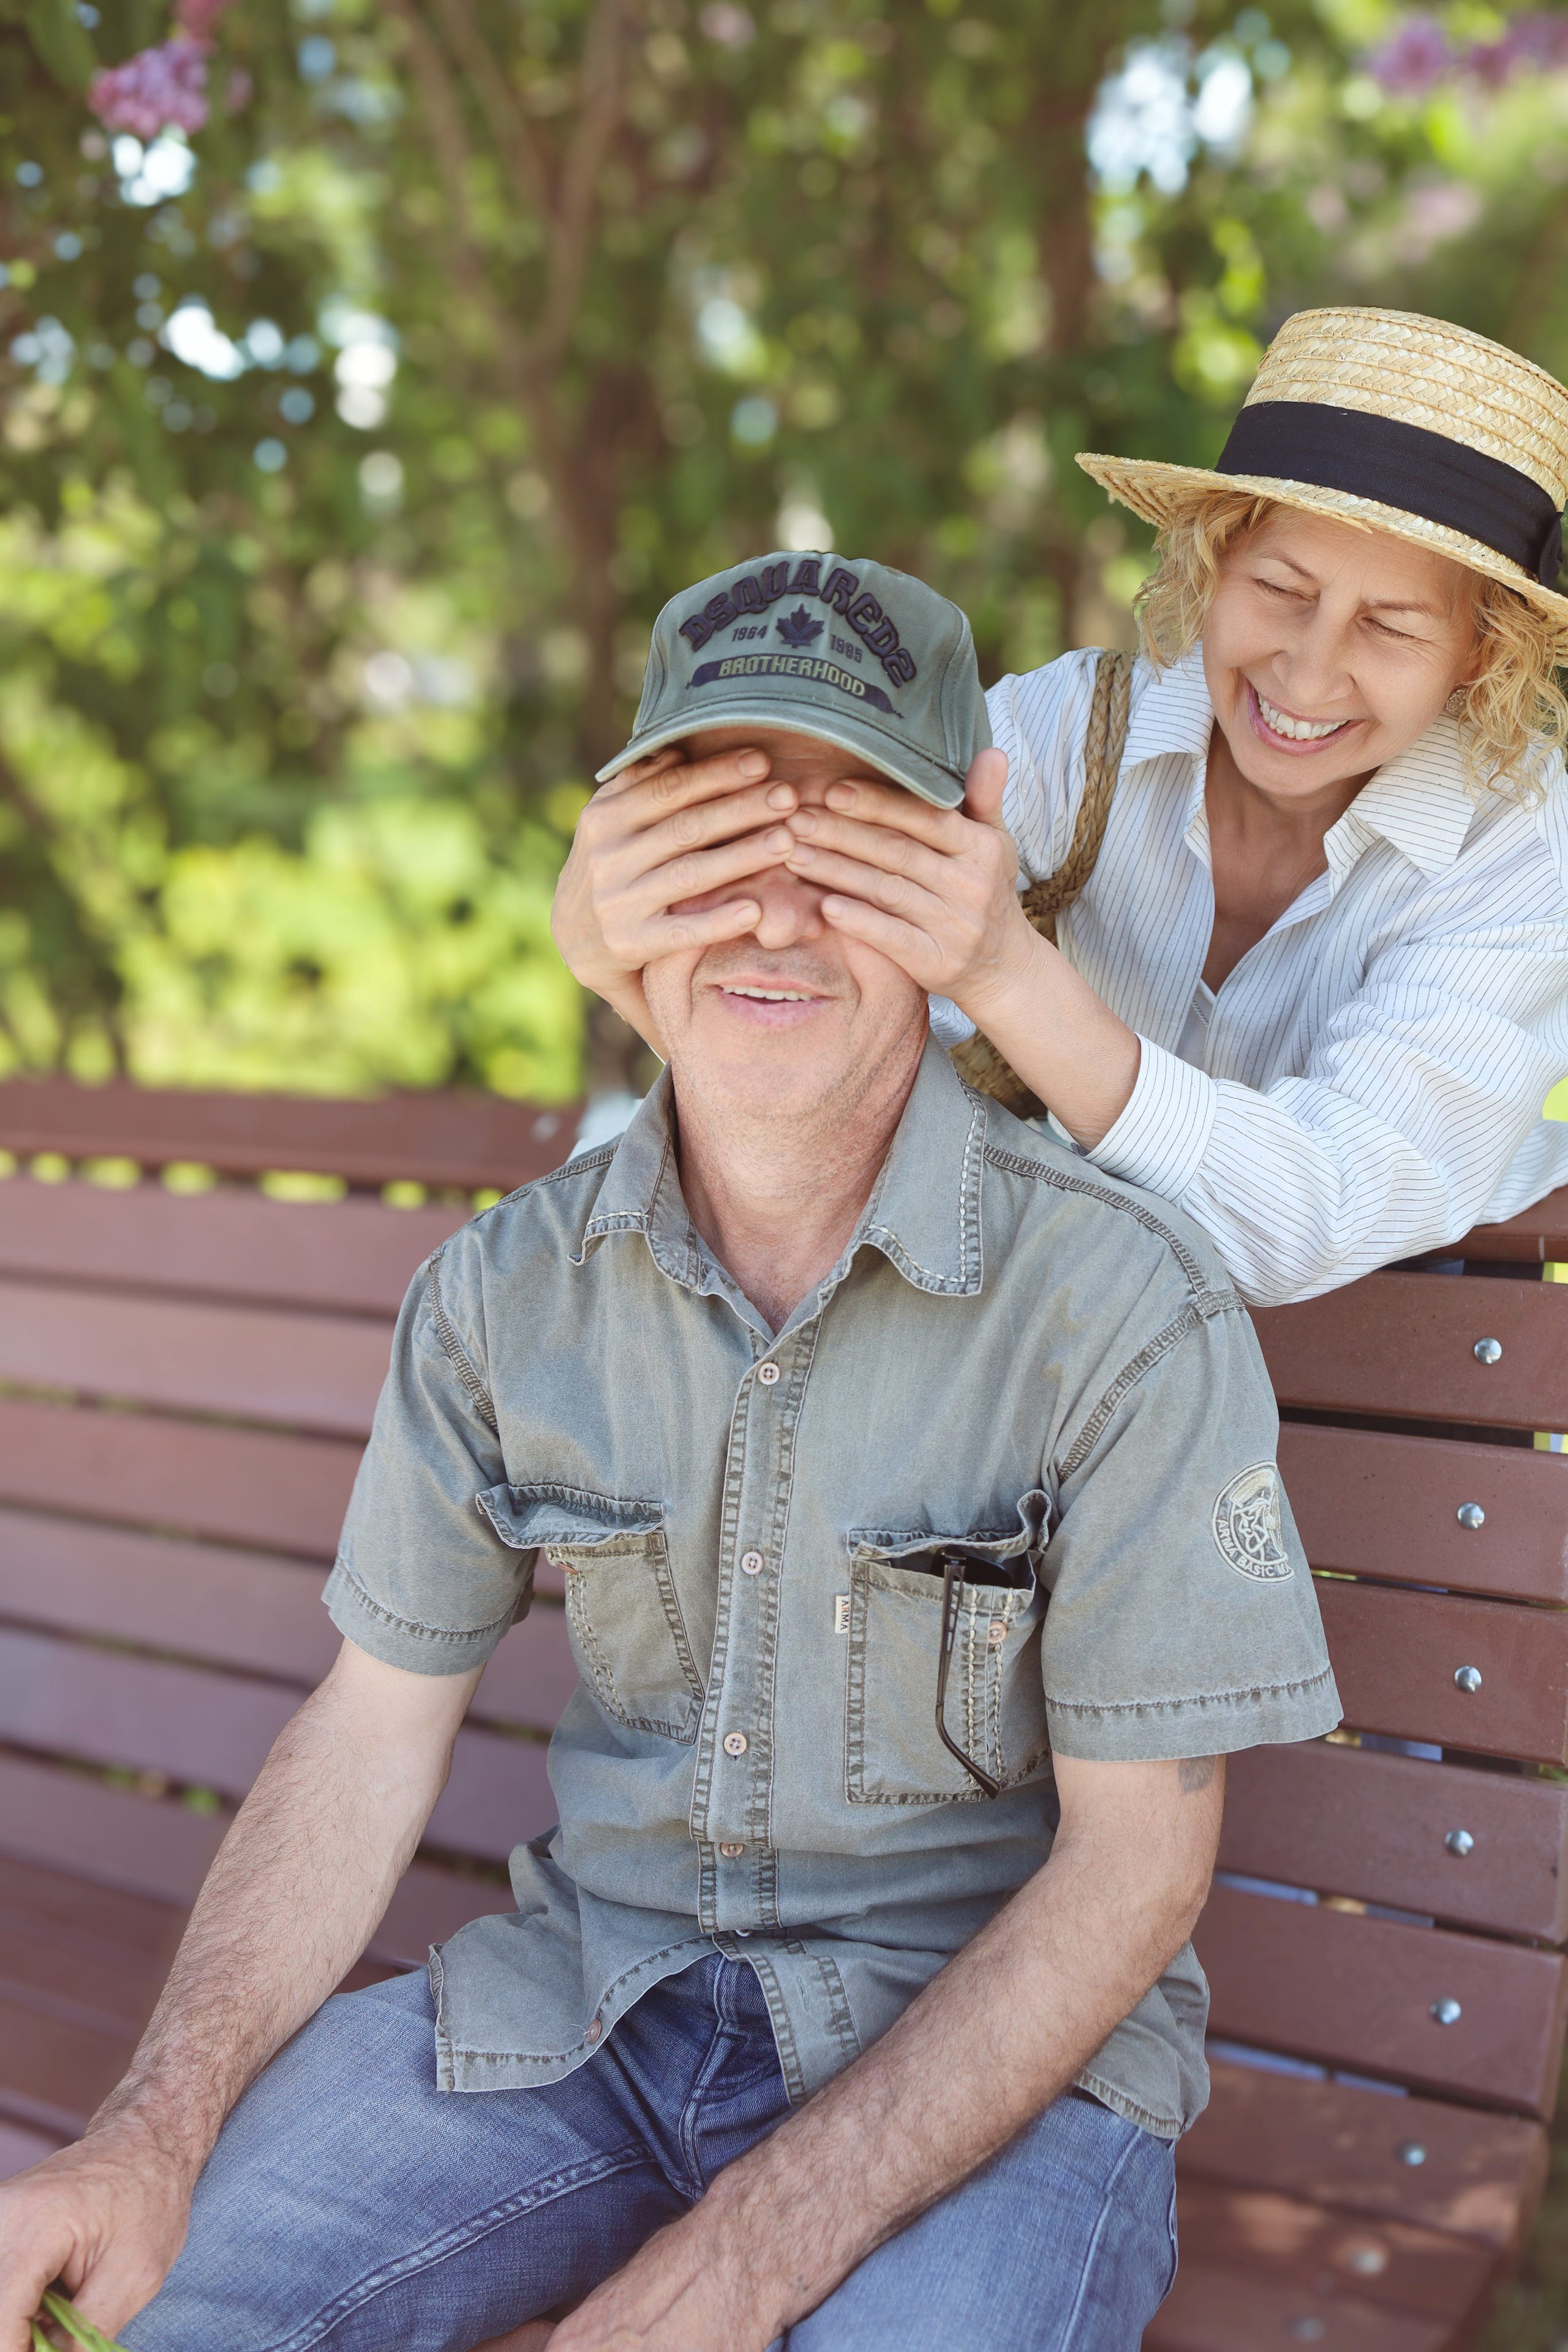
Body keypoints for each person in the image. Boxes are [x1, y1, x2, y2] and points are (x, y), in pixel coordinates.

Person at [0, 566, 1340, 2352]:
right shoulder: (506, 1290)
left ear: (960, 871)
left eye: (855, 840)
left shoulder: (1120, 1305)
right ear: (619, 859)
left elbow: (1133, 1879)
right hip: (586, 2020)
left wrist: (737, 2265)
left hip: (994, 2083)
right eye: (711, 834)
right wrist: (146, 2140)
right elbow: (368, 1730)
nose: (773, 914)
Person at [554, 307, 1568, 1306]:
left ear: (1482, 651)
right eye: (1282, 587)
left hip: (1416, 1352)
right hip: (1073, 1337)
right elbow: (827, 1063)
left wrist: (1001, 969)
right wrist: (616, 964)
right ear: (1213, 562)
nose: (1308, 672)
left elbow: (1311, 1218)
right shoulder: (1063, 738)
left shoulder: (1523, 851)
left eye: (1389, 627)